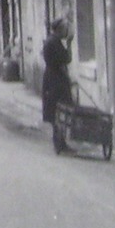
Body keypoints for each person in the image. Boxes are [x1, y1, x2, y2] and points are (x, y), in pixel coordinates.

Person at [41, 17, 73, 149]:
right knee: (60, 110)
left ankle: (60, 143)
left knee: (57, 112)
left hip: (52, 79)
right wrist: (70, 43)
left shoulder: (52, 41)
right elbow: (66, 59)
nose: (67, 31)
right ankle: (60, 144)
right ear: (59, 29)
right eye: (65, 28)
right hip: (56, 81)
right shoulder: (54, 42)